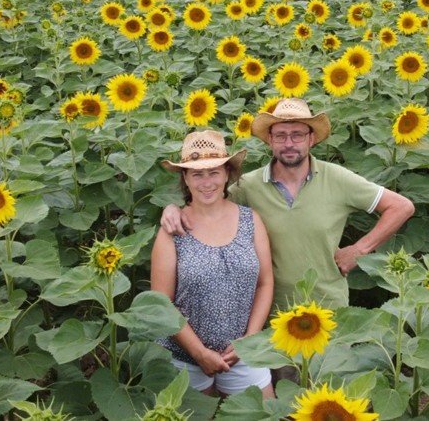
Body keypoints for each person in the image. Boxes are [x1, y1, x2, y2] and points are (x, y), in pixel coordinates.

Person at [162, 98, 415, 313]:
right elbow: (207, 203)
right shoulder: (250, 186)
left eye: (297, 135)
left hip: (329, 310)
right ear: (269, 141)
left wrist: (360, 249)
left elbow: (401, 206)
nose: (289, 143)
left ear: (311, 139)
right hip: (271, 313)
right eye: (281, 135)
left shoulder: (337, 179)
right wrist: (173, 209)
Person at [151, 130, 274, 399]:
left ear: (227, 174)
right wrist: (199, 353)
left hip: (241, 351)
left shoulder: (250, 220)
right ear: (185, 178)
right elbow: (161, 303)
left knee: (264, 414)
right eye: (197, 174)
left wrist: (250, 339)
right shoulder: (173, 229)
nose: (206, 182)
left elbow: (265, 283)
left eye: (214, 172)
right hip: (184, 355)